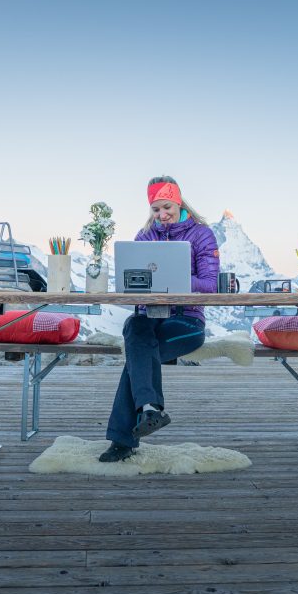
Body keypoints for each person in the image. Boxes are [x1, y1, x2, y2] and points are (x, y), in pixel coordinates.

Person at [99, 176, 220, 462]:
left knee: (137, 358)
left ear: (178, 203)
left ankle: (125, 438)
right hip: (149, 317)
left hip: (185, 321)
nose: (162, 214)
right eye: (155, 209)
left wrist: (175, 279)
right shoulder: (144, 236)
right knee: (134, 325)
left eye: (167, 207)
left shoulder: (201, 234)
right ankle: (149, 410)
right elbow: (133, 286)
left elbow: (210, 284)